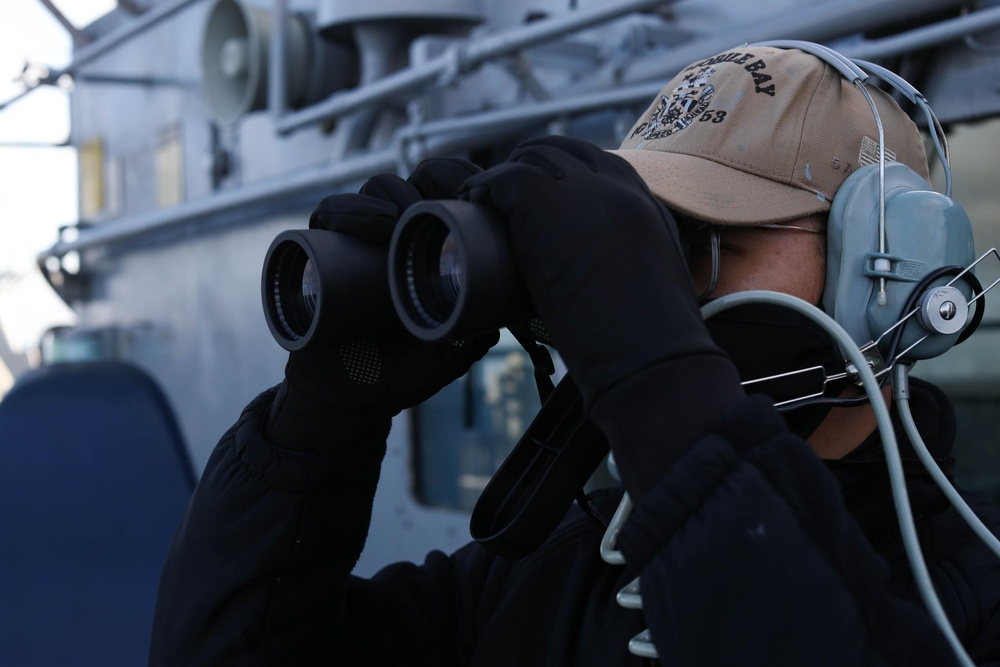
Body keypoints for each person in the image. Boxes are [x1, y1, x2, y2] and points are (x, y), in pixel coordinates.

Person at [149, 44, 1000, 665]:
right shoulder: (545, 572)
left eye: (702, 243)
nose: (664, 286)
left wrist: (648, 357)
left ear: (889, 269)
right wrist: (321, 424)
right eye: (641, 242)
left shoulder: (971, 585)